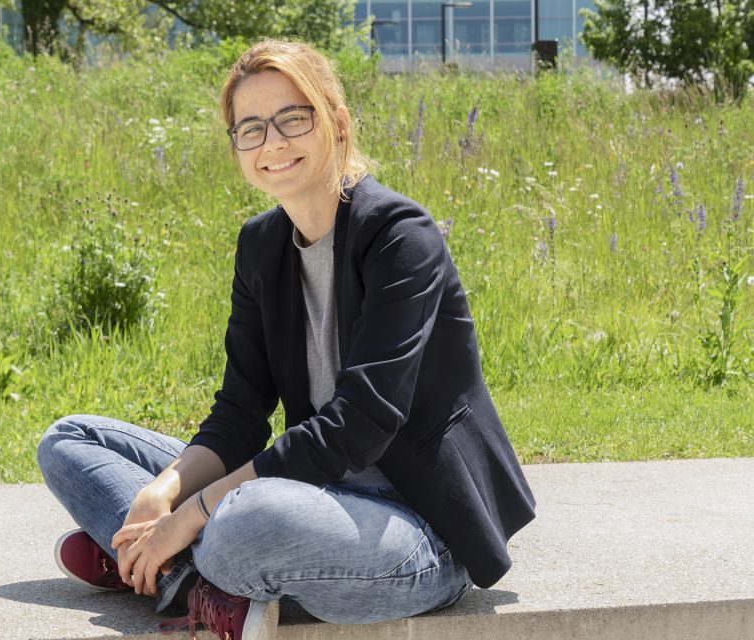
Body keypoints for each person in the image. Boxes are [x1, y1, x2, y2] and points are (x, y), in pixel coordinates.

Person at [36, 39, 536, 640]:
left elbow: (359, 424)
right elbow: (239, 415)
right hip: (308, 489)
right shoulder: (260, 246)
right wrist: (161, 494)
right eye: (250, 128)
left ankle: (167, 566)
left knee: (242, 516)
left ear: (337, 123)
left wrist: (193, 513)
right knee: (69, 439)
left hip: (414, 528)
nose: (272, 142)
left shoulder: (402, 238)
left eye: (293, 118)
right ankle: (188, 578)